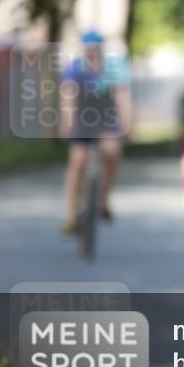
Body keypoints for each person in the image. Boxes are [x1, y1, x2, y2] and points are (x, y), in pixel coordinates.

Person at [60, 31, 131, 234]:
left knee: (112, 151)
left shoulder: (113, 68)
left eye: (95, 49)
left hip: (106, 119)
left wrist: (125, 123)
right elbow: (68, 95)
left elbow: (121, 96)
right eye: (89, 49)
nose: (92, 53)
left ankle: (104, 199)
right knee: (78, 160)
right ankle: (71, 215)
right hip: (83, 119)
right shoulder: (75, 68)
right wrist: (68, 121)